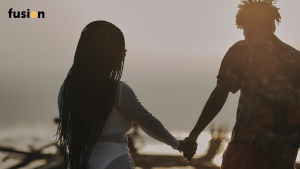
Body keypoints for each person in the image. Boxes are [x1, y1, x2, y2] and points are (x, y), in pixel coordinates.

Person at [55, 21, 194, 169]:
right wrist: (178, 144)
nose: (123, 56)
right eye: (122, 51)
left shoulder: (66, 90)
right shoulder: (117, 90)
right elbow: (149, 123)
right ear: (108, 53)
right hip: (114, 160)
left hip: (78, 163)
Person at [184, 0, 300, 168]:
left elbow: (221, 92)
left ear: (247, 26)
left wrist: (194, 135)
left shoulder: (243, 50)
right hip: (285, 154)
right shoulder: (296, 58)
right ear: (273, 26)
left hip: (248, 147)